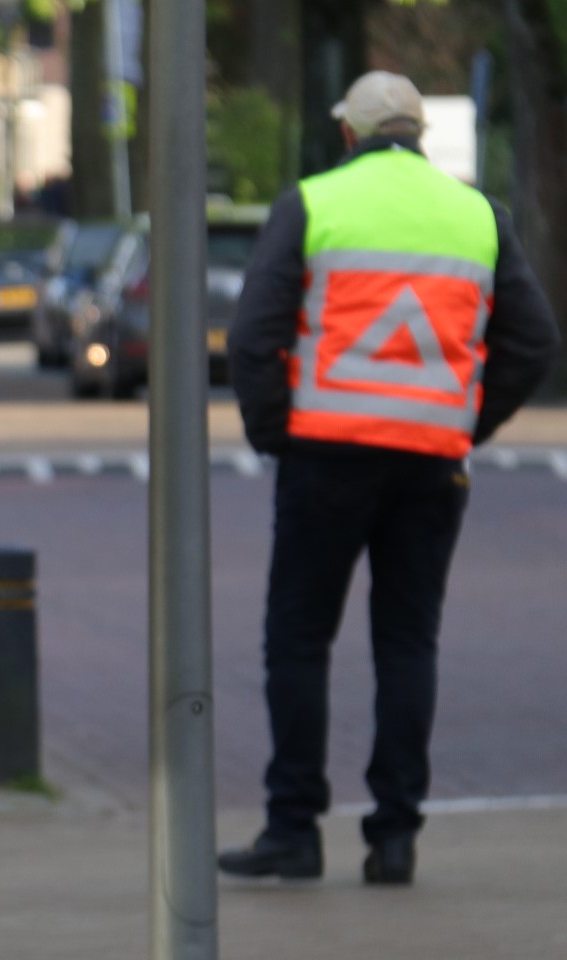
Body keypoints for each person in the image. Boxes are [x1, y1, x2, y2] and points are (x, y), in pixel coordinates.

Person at [220, 71, 560, 886]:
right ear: (418, 134)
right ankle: (396, 837)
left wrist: (277, 434)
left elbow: (253, 337)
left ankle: (293, 830)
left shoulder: (314, 203)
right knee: (407, 641)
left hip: (326, 455)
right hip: (431, 463)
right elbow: (534, 342)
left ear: (349, 133)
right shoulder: (478, 215)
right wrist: (464, 422)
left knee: (299, 638)